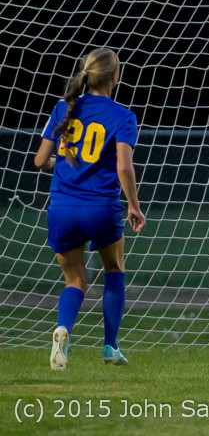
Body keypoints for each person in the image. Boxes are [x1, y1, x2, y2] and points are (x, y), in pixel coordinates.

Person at [34, 48, 146, 371]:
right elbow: (124, 167)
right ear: (114, 76)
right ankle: (110, 346)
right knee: (115, 269)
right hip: (100, 208)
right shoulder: (123, 116)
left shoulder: (63, 108)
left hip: (63, 209)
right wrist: (134, 205)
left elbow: (40, 160)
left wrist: (64, 163)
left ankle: (63, 330)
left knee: (74, 281)